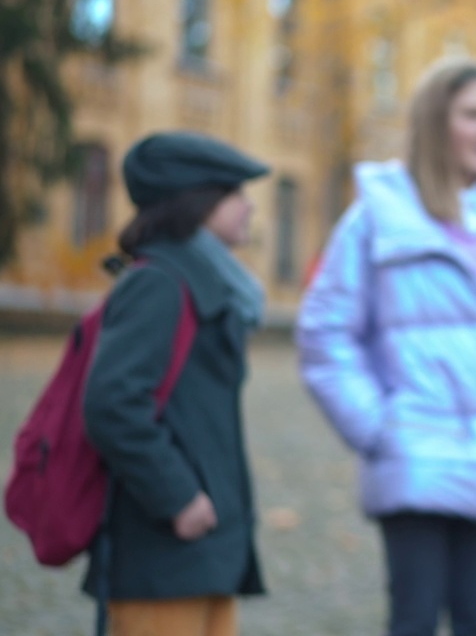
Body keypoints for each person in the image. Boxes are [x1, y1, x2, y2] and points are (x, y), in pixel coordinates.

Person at [296, 57, 476, 636]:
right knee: (413, 621)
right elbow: (325, 333)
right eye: (474, 114)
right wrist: (379, 425)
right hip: (417, 456)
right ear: (435, 121)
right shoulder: (378, 216)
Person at [82, 131, 270, 636]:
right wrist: (178, 496)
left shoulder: (201, 281)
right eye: (236, 194)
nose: (249, 208)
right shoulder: (159, 282)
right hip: (162, 555)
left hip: (200, 554)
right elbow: (111, 403)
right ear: (199, 202)